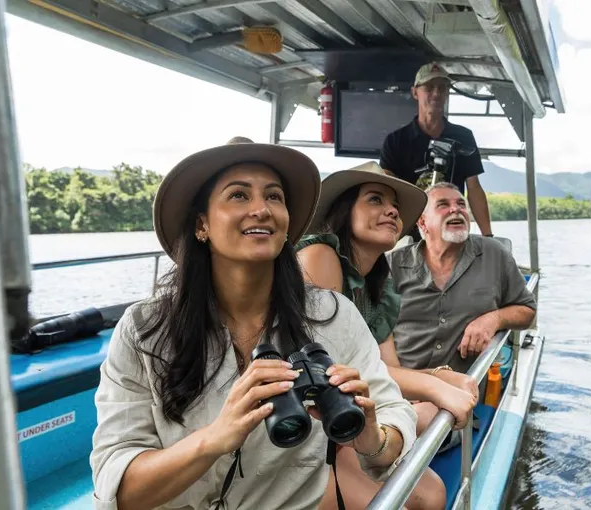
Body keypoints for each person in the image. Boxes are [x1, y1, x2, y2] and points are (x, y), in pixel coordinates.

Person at [89, 139, 418, 510]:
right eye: (239, 196)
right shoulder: (144, 331)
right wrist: (215, 438)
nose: (261, 209)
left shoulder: (333, 317)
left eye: (274, 197)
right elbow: (118, 489)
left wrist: (371, 436)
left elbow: (394, 414)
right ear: (202, 224)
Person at [295, 162, 478, 510]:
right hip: (306, 424)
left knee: (433, 493)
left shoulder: (376, 284)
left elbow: (383, 370)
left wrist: (442, 377)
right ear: (345, 212)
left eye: (393, 205)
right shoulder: (320, 257)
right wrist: (435, 385)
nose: (392, 210)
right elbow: (326, 371)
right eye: (375, 200)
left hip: (344, 417)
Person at [387, 182, 537, 376]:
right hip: (402, 385)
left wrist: (493, 319)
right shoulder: (392, 265)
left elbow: (528, 310)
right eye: (442, 204)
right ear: (422, 223)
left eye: (461, 204)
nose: (455, 209)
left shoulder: (493, 254)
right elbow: (373, 334)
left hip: (464, 387)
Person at [379, 62, 493, 240]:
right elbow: (387, 191)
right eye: (430, 87)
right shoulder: (395, 141)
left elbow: (474, 188)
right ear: (415, 92)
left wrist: (488, 236)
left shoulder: (463, 137)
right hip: (408, 235)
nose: (436, 93)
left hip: (451, 232)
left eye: (442, 88)